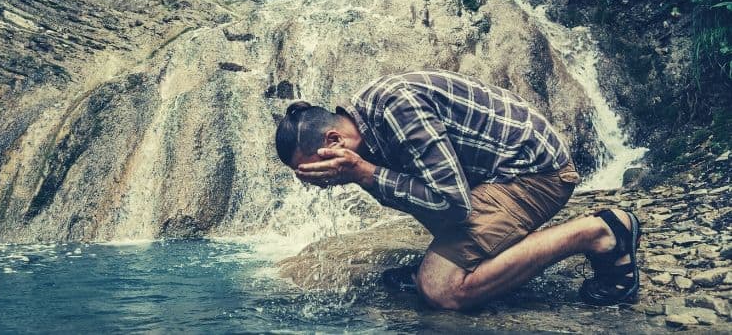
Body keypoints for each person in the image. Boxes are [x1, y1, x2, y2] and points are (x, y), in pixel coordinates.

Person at [274, 70, 641, 310]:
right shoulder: (366, 132)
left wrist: (365, 173)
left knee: (440, 288)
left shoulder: (396, 107)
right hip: (489, 179)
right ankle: (475, 255)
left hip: (534, 174)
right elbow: (419, 191)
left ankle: (600, 232)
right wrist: (365, 172)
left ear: (333, 141)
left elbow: (451, 202)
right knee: (414, 198)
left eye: (312, 169)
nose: (316, 181)